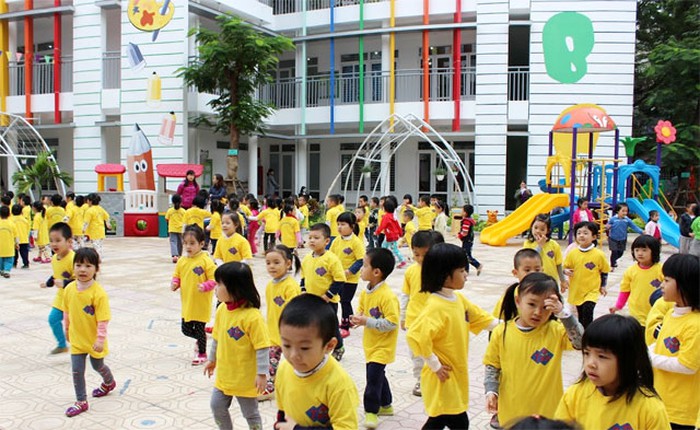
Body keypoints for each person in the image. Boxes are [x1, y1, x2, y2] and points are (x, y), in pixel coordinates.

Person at [406, 243, 498, 429]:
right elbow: (416, 336)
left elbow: (483, 319)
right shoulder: (435, 306)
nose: (466, 275)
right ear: (445, 275)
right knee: (456, 419)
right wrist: (434, 364)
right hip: (442, 376)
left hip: (456, 373)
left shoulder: (459, 300)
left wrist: (513, 327)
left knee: (441, 419)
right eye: (462, 270)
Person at [483, 272, 584, 429]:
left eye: (545, 307)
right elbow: (492, 365)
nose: (538, 312)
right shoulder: (501, 332)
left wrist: (564, 314)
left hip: (548, 415)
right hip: (512, 414)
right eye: (532, 304)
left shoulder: (556, 331)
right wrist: (491, 391)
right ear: (518, 301)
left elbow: (581, 342)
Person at [554, 314, 670, 429]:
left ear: (628, 360)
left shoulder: (650, 408)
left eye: (602, 356)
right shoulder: (575, 394)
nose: (590, 364)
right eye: (586, 353)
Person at [273, 295, 359, 430]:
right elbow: (282, 412)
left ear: (329, 346)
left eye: (304, 348)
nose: (293, 356)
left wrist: (297, 429)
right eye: (287, 345)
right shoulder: (284, 369)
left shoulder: (339, 385)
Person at [204, 262, 271, 430]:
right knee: (217, 406)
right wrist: (212, 360)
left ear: (235, 288)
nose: (215, 289)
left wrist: (262, 374)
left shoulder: (252, 317)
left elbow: (262, 347)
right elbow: (217, 338)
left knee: (250, 413)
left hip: (245, 378)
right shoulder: (222, 310)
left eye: (219, 284)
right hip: (225, 375)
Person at [62, 248, 117, 417]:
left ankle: (109, 382)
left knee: (97, 365)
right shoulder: (69, 289)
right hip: (77, 339)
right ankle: (81, 401)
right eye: (78, 265)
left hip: (94, 340)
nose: (83, 270)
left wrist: (100, 339)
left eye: (88, 266)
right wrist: (66, 329)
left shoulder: (98, 293)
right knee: (77, 371)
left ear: (96, 269)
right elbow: (66, 311)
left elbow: (103, 319)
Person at [647, 253, 699, 428]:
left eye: (667, 280)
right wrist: (648, 350)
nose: (662, 285)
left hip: (680, 410)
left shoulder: (695, 324)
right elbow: (661, 344)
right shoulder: (670, 313)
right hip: (661, 398)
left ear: (684, 285)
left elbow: (688, 365)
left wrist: (651, 358)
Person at [350, 248, 399, 429]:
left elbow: (392, 323)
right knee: (378, 375)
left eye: (364, 266)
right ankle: (386, 405)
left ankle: (371, 410)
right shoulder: (366, 292)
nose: (361, 269)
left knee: (373, 378)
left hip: (383, 345)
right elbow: (362, 311)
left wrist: (367, 321)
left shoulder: (387, 296)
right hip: (370, 343)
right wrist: (358, 319)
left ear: (376, 272)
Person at [400, 230, 445, 397]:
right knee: (417, 354)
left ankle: (436, 376)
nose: (420, 259)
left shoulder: (441, 273)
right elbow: (405, 295)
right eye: (416, 254)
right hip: (414, 321)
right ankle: (420, 379)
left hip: (435, 321)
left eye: (425, 255)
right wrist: (403, 316)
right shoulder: (411, 271)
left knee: (434, 352)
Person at [171, 225, 217, 365]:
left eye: (192, 243)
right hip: (188, 301)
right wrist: (175, 283)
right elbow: (177, 275)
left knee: (199, 327)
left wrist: (205, 286)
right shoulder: (182, 260)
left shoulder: (206, 260)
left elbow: (214, 279)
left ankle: (202, 353)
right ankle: (202, 337)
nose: (188, 247)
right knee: (185, 329)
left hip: (201, 302)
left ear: (201, 244)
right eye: (185, 243)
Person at [300, 223, 347, 361]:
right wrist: (303, 290)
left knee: (331, 327)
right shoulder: (307, 258)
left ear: (327, 241)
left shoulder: (331, 259)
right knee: (314, 326)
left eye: (316, 238)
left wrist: (327, 296)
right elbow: (303, 277)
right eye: (310, 237)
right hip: (311, 301)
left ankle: (339, 347)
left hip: (328, 302)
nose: (312, 240)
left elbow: (340, 279)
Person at [263, 245, 301, 397]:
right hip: (273, 333)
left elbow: (296, 312)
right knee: (271, 362)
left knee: (293, 362)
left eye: (276, 262)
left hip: (289, 335)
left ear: (288, 263)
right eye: (268, 263)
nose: (271, 266)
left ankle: (300, 385)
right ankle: (271, 386)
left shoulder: (290, 286)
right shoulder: (269, 285)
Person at [562, 222, 610, 328]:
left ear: (594, 237)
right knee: (581, 316)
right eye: (579, 233)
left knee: (588, 311)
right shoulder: (572, 253)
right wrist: (565, 271)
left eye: (585, 233)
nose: (581, 235)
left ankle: (588, 334)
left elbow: (604, 271)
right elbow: (564, 267)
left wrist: (603, 286)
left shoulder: (599, 254)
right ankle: (582, 333)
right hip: (577, 290)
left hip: (591, 291)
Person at [609, 235, 663, 326]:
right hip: (636, 313)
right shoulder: (631, 271)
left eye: (644, 250)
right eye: (637, 250)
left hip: (656, 313)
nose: (640, 253)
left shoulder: (661, 270)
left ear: (654, 251)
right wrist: (618, 305)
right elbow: (625, 290)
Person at [40, 222, 75, 354]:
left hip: (75, 298)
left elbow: (81, 280)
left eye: (58, 240)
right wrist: (48, 283)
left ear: (69, 241)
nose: (54, 244)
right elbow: (56, 275)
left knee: (76, 325)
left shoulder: (74, 259)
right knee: (53, 319)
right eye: (51, 241)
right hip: (61, 297)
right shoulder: (54, 258)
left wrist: (65, 283)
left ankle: (87, 345)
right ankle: (62, 345)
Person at [330, 212, 365, 338]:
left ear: (352, 226)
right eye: (338, 224)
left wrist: (349, 271)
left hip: (350, 279)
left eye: (343, 224)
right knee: (342, 300)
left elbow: (361, 260)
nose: (339, 227)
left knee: (345, 301)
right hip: (339, 278)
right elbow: (331, 256)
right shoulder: (336, 241)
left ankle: (344, 326)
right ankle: (349, 320)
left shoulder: (356, 242)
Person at [523, 214, 566, 289]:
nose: (538, 231)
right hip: (534, 281)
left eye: (542, 229)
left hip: (550, 282)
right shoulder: (528, 243)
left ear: (548, 231)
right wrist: (540, 246)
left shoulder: (554, 245)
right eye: (535, 227)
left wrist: (563, 281)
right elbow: (529, 259)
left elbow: (558, 264)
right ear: (531, 227)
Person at [606, 202, 643, 269]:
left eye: (626, 211)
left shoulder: (627, 220)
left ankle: (614, 260)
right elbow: (607, 226)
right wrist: (607, 227)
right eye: (623, 211)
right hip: (613, 238)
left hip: (623, 238)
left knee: (620, 252)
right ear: (617, 211)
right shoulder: (613, 219)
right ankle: (612, 265)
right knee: (614, 251)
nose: (625, 213)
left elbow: (634, 227)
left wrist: (641, 231)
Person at [375, 198, 407, 269]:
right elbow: (397, 225)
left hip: (390, 236)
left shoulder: (386, 217)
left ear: (385, 208)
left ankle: (402, 260)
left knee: (393, 249)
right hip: (393, 235)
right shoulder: (393, 216)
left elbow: (382, 226)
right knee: (384, 247)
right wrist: (400, 233)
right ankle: (383, 259)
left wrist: (377, 232)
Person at [457, 204, 483, 276]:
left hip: (467, 240)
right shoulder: (468, 220)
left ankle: (477, 265)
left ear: (465, 213)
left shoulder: (466, 221)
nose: (461, 212)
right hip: (469, 240)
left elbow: (465, 232)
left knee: (466, 256)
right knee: (466, 254)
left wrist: (459, 235)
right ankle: (466, 270)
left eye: (462, 210)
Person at [83, 193, 111, 258]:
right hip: (101, 230)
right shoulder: (100, 208)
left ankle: (98, 257)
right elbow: (107, 216)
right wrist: (108, 224)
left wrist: (83, 229)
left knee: (96, 245)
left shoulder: (89, 211)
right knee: (99, 245)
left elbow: (86, 222)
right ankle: (99, 256)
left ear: (90, 201)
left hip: (94, 231)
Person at [165, 195, 186, 263]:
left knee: (173, 242)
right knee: (180, 243)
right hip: (181, 229)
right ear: (181, 202)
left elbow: (166, 219)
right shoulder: (183, 211)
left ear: (172, 202)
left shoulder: (170, 211)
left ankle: (174, 255)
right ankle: (179, 255)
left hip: (172, 229)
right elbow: (186, 220)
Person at [0, 205, 19, 277]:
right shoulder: (12, 224)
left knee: (0, 259)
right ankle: (6, 271)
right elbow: (16, 235)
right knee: (9, 260)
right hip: (9, 246)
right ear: (9, 214)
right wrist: (17, 243)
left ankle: (1, 270)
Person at [11, 204, 30, 269]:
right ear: (21, 211)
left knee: (14, 253)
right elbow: (28, 229)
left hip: (14, 240)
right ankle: (26, 264)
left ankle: (14, 264)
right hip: (24, 239)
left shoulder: (11, 220)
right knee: (24, 253)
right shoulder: (24, 220)